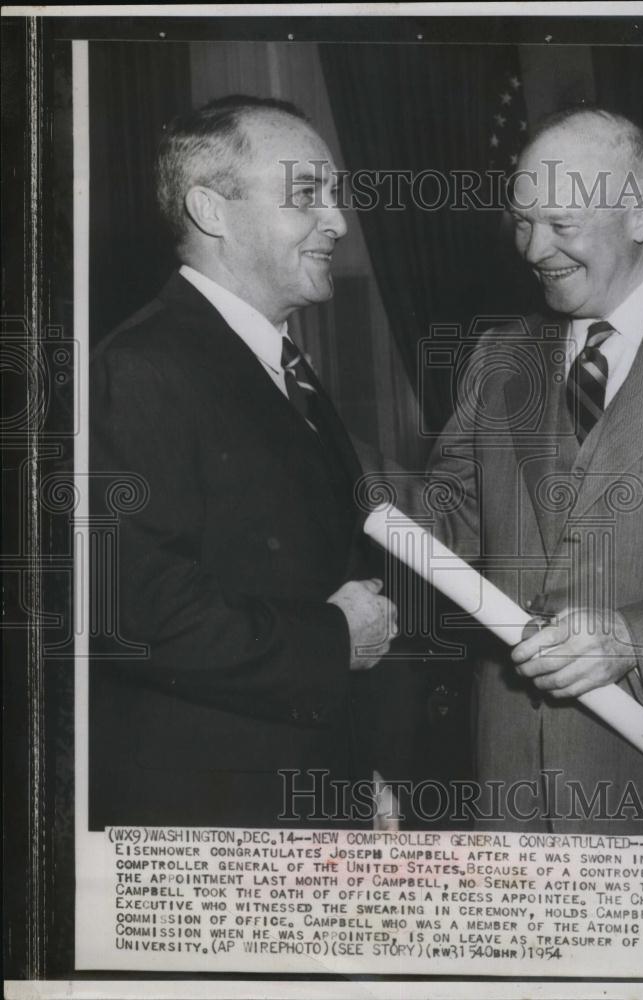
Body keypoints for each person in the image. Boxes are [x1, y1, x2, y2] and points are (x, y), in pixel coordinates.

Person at [424, 107, 643, 839]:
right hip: (510, 792)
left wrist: (634, 639)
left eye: (560, 224)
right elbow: (445, 519)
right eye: (520, 222)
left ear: (640, 211)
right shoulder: (499, 356)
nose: (533, 249)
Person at [89, 96, 397, 829]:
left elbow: (309, 576)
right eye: (305, 195)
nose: (338, 221)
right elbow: (132, 615)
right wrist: (334, 643)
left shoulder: (281, 362)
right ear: (212, 210)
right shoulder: (138, 368)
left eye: (334, 194)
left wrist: (358, 776)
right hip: (214, 812)